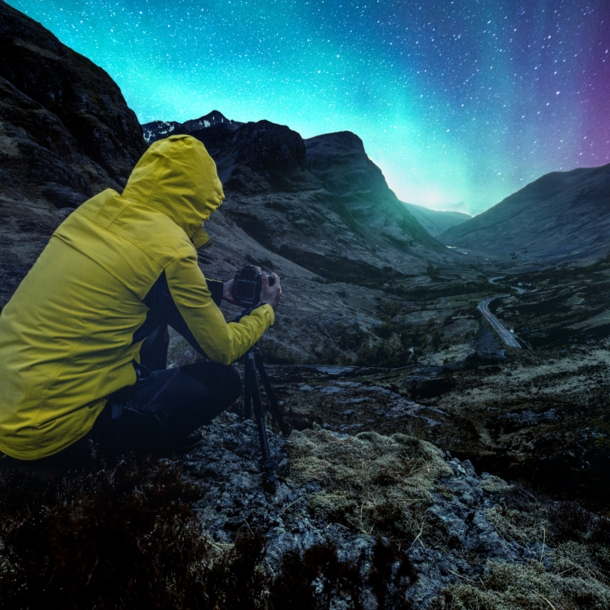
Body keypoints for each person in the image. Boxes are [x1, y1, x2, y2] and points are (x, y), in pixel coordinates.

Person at [0, 134, 282, 476]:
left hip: (10, 406)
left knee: (152, 324)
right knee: (223, 381)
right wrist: (264, 311)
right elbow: (222, 348)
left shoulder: (93, 211)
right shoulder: (172, 251)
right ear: (196, 200)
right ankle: (141, 444)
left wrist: (220, 290)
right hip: (51, 434)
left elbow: (133, 278)